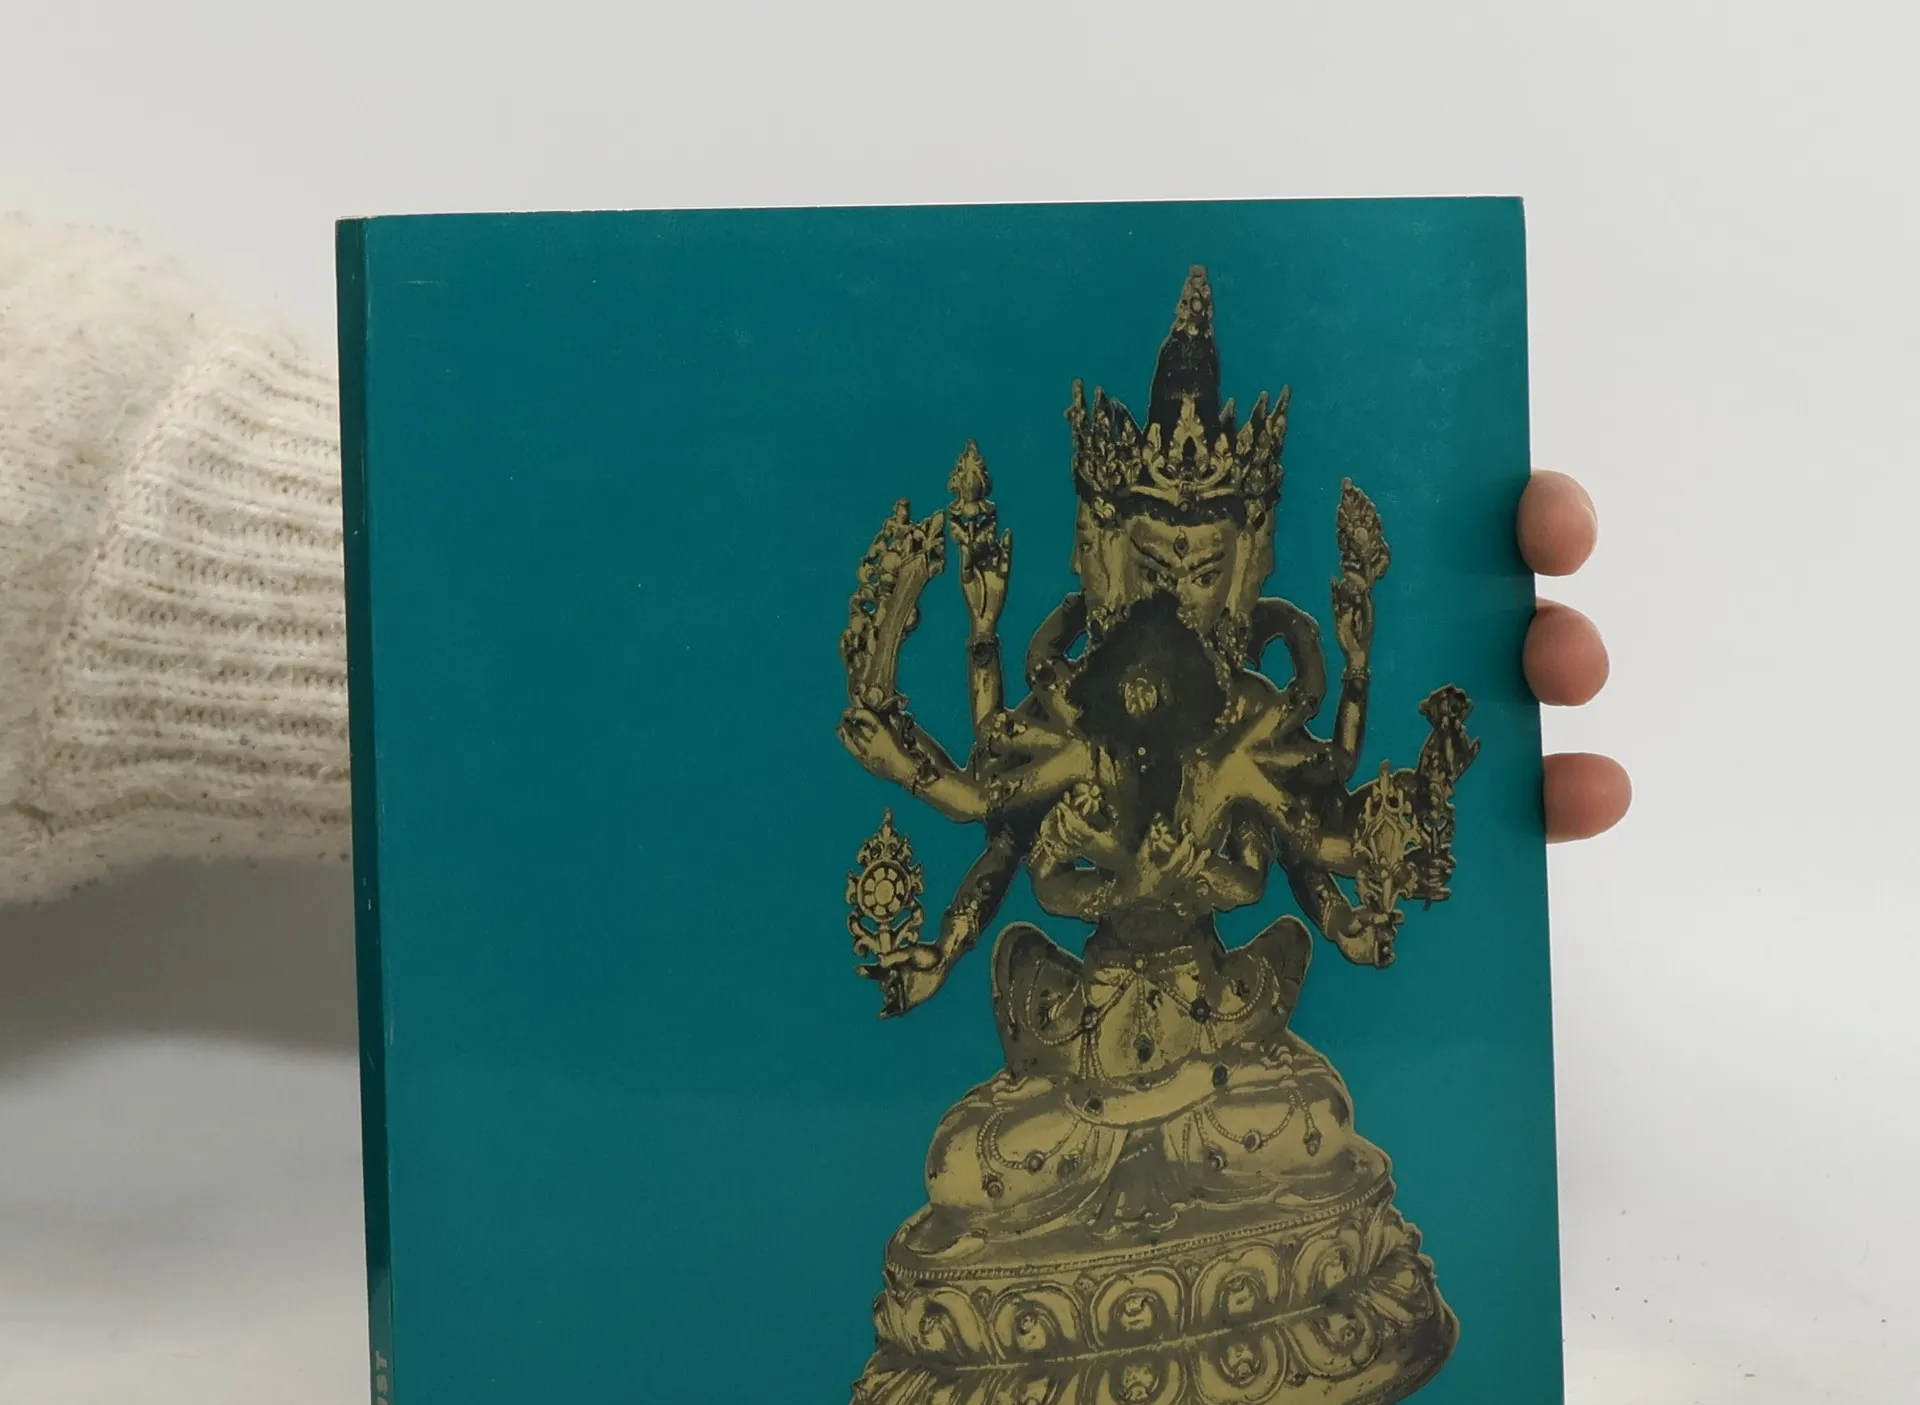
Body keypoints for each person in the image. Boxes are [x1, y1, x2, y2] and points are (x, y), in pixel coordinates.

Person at [0, 216, 1628, 910]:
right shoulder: (1055, 708)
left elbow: (1357, 868)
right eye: (1151, 544)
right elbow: (951, 795)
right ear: (1101, 537)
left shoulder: (1268, 716)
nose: (1181, 584)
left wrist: (1424, 765)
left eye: (1218, 553)